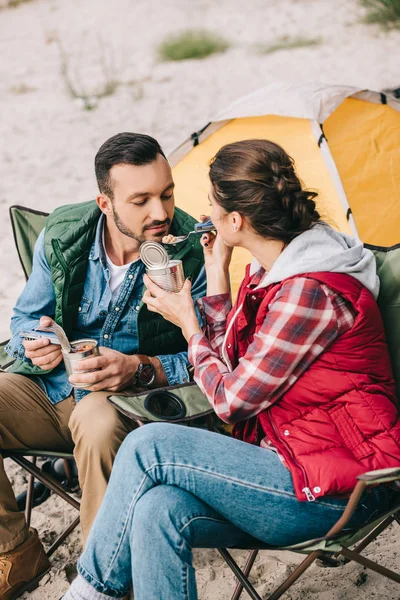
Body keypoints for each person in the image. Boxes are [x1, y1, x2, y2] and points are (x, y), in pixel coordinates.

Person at [62, 138, 400, 600]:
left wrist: (189, 325)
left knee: (147, 445)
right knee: (158, 508)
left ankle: (88, 593)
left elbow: (231, 399)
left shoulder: (308, 291)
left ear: (235, 221)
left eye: (213, 206)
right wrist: (218, 270)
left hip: (339, 489)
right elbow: (238, 367)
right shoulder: (277, 270)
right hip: (292, 461)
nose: (205, 214)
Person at [0, 132, 206, 600]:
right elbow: (24, 319)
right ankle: (15, 552)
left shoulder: (190, 250)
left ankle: (101, 584)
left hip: (132, 410)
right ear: (105, 203)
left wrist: (139, 367)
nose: (161, 212)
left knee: (96, 420)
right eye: (141, 200)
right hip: (54, 390)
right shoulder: (64, 230)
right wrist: (36, 342)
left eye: (167, 193)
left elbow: (208, 357)